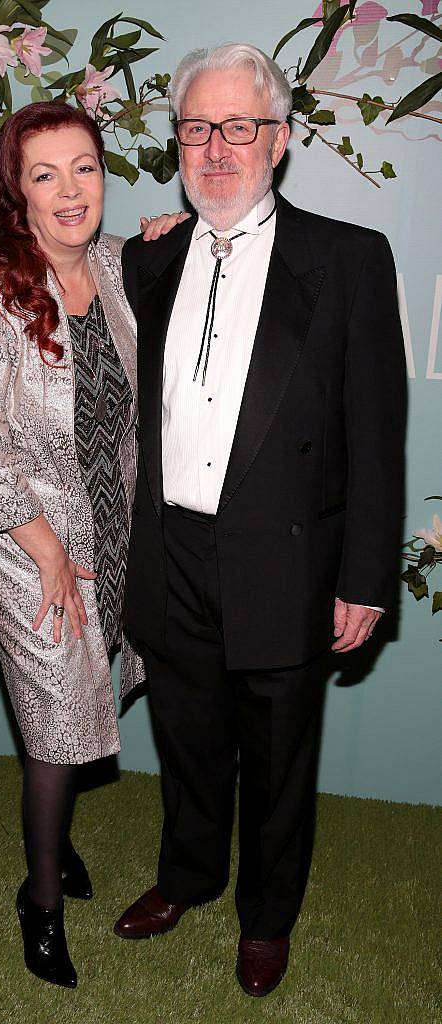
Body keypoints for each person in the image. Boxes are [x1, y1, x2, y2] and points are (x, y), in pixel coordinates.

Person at [115, 43, 407, 998]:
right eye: (198, 128)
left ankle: (267, 916)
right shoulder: (147, 258)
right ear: (179, 144)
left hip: (287, 558)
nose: (216, 148)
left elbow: (376, 430)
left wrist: (366, 577)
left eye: (239, 126)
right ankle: (190, 875)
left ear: (277, 141)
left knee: (279, 759)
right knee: (189, 737)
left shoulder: (350, 259)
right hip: (173, 552)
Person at [0, 100, 185, 990]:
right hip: (27, 543)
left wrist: (176, 223)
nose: (71, 190)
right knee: (55, 728)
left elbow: (214, 251)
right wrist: (43, 550)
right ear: (18, 196)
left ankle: (60, 854)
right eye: (46, 175)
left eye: (84, 167)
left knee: (90, 700)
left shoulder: (121, 266)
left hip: (112, 525)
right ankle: (40, 899)